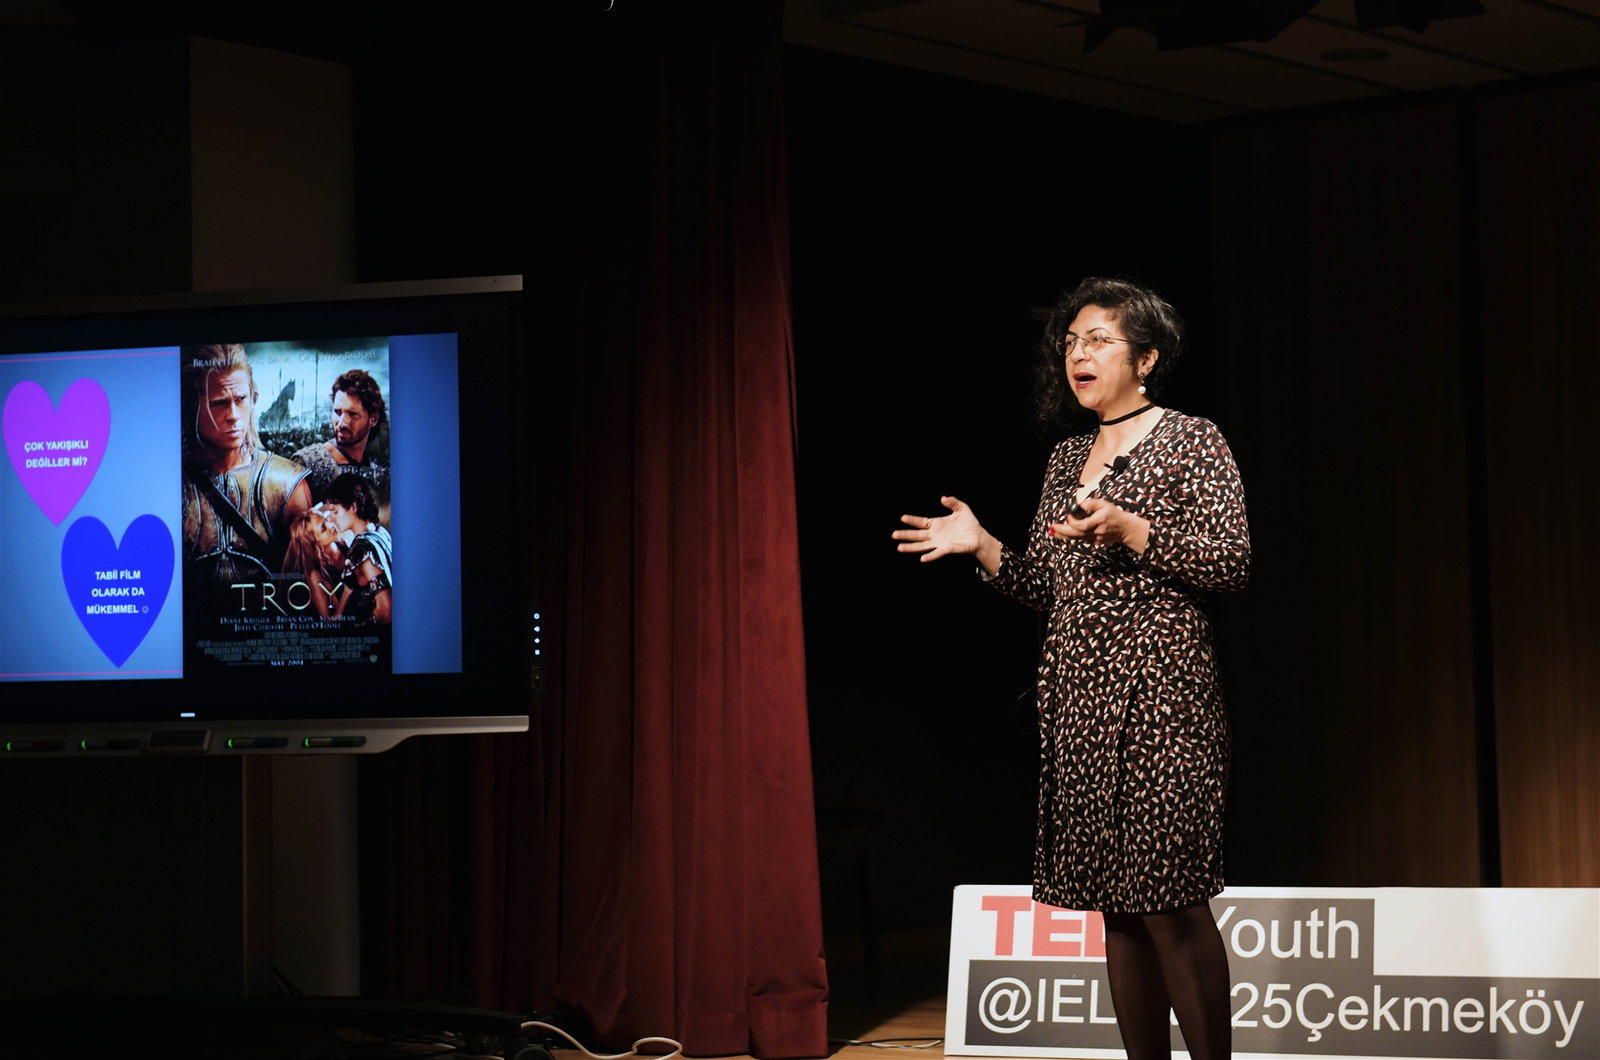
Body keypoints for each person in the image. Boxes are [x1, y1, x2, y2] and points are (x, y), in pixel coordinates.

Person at [892, 277, 1248, 1060]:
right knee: (1116, 907)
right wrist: (983, 545)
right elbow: (1048, 588)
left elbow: (1231, 562)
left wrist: (1134, 531)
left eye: (1099, 340)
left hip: (1164, 702)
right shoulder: (1064, 460)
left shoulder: (1193, 439)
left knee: (1172, 902)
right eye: (1071, 341)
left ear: (1146, 359)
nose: (1077, 354)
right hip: (1080, 704)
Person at [181, 344, 313, 582]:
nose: (233, 415)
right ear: (192, 408)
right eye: (219, 403)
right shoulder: (170, 483)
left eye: (240, 399)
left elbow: (306, 591)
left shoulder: (288, 486)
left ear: (253, 399)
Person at [291, 368, 390, 515]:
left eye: (353, 414)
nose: (342, 423)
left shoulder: (383, 471)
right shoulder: (307, 463)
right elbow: (296, 526)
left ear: (373, 418)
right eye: (337, 412)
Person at [320, 473, 393, 626]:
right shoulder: (380, 532)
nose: (331, 518)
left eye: (335, 511)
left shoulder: (363, 548)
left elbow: (386, 611)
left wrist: (356, 630)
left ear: (353, 507)